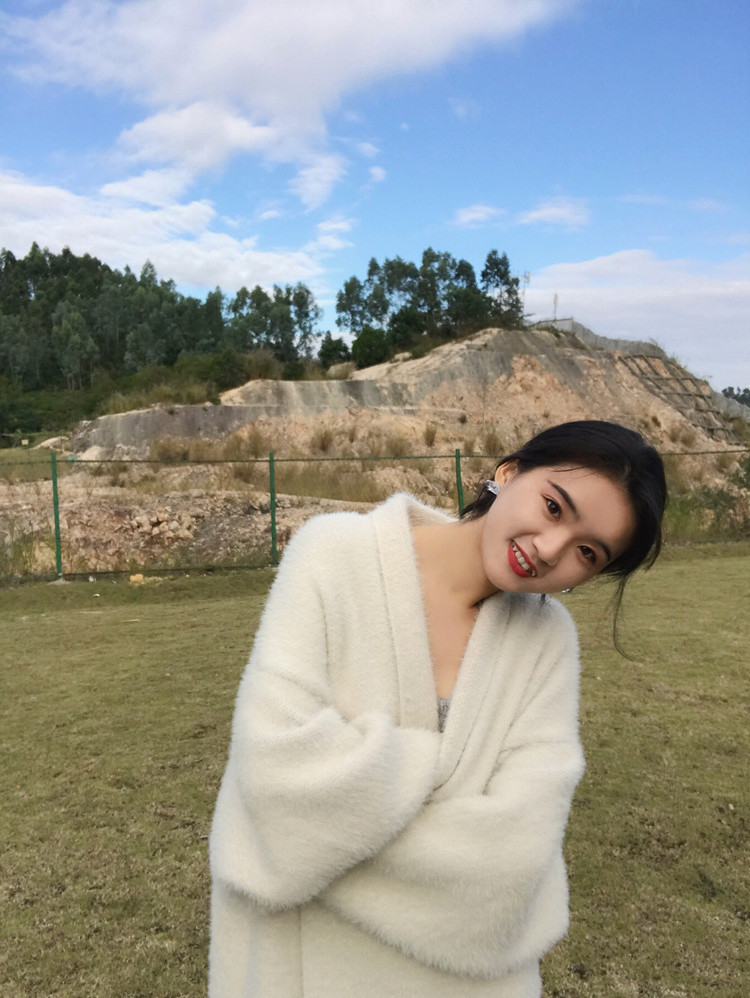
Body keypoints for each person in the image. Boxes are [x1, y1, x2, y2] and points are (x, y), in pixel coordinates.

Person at [208, 420, 667, 998]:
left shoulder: (547, 643)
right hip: (299, 964)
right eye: (553, 506)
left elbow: (511, 865)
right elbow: (275, 784)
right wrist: (435, 770)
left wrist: (322, 843)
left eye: (587, 551)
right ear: (509, 473)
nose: (549, 550)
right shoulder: (333, 555)